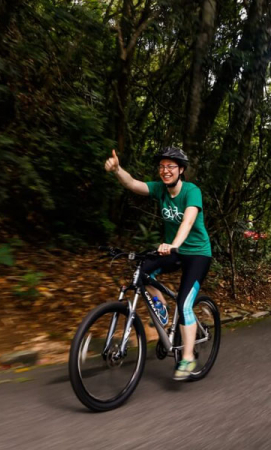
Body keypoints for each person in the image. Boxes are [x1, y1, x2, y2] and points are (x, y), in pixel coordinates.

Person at [104, 147, 212, 381]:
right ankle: (161, 310)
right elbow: (133, 184)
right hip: (174, 248)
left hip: (197, 254)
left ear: (181, 170)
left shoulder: (192, 191)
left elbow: (188, 219)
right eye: (162, 166)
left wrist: (173, 244)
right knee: (142, 272)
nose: (165, 171)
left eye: (171, 166)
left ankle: (187, 357)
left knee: (184, 305)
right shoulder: (160, 189)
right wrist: (117, 169)